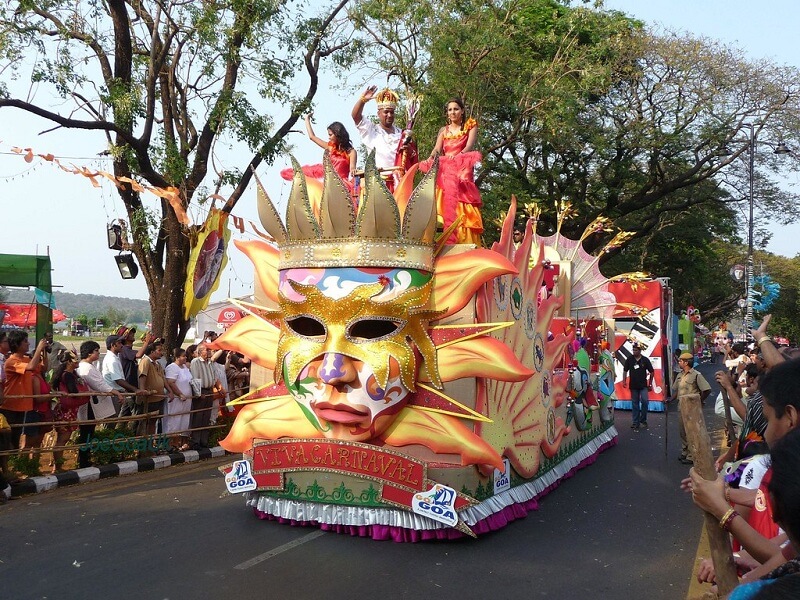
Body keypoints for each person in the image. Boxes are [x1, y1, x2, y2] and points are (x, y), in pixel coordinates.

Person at [421, 97, 483, 245]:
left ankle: (463, 238)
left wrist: (458, 158)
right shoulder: (444, 130)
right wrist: (429, 159)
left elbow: (469, 146)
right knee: (443, 197)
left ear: (462, 111)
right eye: (450, 110)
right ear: (447, 113)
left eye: (456, 109)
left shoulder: (469, 126)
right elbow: (437, 149)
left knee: (463, 198)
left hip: (462, 166)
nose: (453, 112)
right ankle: (444, 234)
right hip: (446, 167)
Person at [351, 85, 418, 192]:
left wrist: (410, 151)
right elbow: (356, 116)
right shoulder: (371, 130)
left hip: (398, 184)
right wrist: (362, 100)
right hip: (376, 183)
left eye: (392, 112)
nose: (389, 115)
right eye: (386, 112)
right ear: (379, 113)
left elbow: (413, 159)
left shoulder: (402, 134)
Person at [76, 341, 124, 468]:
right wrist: (117, 393)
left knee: (88, 432)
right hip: (89, 404)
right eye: (96, 350)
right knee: (87, 432)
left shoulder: (88, 366)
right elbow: (99, 384)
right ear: (90, 352)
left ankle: (84, 459)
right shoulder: (86, 368)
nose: (98, 353)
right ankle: (83, 461)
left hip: (90, 403)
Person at [1, 330, 49, 451]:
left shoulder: (26, 359)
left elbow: (43, 368)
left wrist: (43, 351)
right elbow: (31, 367)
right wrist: (38, 349)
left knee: (15, 439)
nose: (28, 344)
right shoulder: (12, 361)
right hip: (10, 406)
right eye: (25, 341)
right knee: (7, 440)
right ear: (17, 344)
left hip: (22, 405)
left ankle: (13, 464)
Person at [50, 350, 90, 473]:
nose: (77, 361)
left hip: (67, 410)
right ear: (69, 362)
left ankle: (57, 465)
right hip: (66, 411)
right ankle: (58, 467)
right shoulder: (68, 375)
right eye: (75, 359)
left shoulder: (69, 374)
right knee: (62, 439)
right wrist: (85, 393)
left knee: (62, 439)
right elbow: (74, 392)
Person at [673, 351, 711, 464]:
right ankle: (685, 451)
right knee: (683, 431)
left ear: (686, 363)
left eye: (680, 361)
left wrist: (699, 400)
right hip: (681, 407)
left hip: (692, 409)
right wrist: (670, 399)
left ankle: (691, 455)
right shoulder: (680, 375)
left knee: (692, 432)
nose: (679, 362)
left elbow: (707, 390)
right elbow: (677, 390)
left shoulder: (696, 375)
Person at [102, 334, 145, 429]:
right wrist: (135, 389)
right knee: (110, 422)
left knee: (115, 420)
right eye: (119, 343)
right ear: (113, 345)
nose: (122, 345)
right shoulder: (112, 360)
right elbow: (118, 380)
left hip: (117, 392)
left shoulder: (114, 357)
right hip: (113, 394)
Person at [304, 114, 357, 183]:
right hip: (329, 184)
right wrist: (306, 120)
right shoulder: (330, 147)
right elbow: (312, 137)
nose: (329, 137)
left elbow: (352, 168)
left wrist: (354, 171)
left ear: (338, 134)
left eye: (330, 135)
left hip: (343, 186)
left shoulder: (351, 152)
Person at [189, 344, 220, 449]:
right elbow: (195, 378)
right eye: (207, 350)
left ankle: (204, 441)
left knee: (206, 416)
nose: (210, 351)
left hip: (209, 390)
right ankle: (195, 442)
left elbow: (213, 377)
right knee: (198, 417)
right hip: (202, 391)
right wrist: (198, 393)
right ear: (200, 352)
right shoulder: (195, 362)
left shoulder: (210, 362)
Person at [164, 348, 192, 450]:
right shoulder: (172, 368)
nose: (185, 357)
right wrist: (179, 394)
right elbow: (171, 382)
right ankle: (170, 445)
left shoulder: (184, 367)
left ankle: (177, 443)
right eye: (183, 356)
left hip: (186, 400)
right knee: (174, 421)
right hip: (176, 399)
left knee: (183, 421)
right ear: (177, 357)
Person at [622, 342, 654, 431]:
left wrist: (650, 383)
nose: (634, 352)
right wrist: (624, 381)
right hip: (633, 385)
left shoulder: (645, 360)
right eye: (633, 350)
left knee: (645, 401)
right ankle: (635, 422)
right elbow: (625, 371)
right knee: (635, 404)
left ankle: (643, 419)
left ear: (640, 351)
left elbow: (652, 371)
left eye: (636, 350)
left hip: (643, 385)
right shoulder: (629, 359)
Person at [137, 340, 167, 436]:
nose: (161, 353)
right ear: (152, 351)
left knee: (153, 422)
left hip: (158, 397)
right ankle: (143, 446)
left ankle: (150, 444)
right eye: (159, 350)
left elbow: (163, 379)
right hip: (149, 399)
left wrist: (169, 391)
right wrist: (143, 390)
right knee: (145, 422)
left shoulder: (157, 364)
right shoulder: (145, 361)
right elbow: (142, 375)